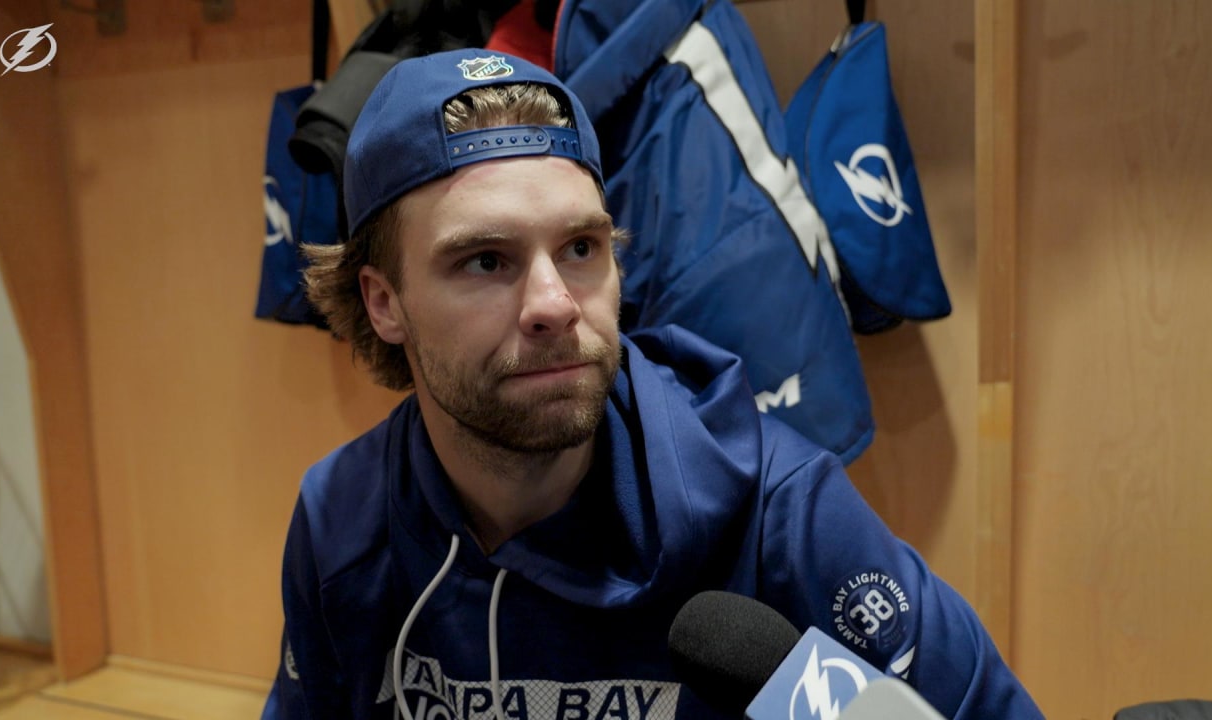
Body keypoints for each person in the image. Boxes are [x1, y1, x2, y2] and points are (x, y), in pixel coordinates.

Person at [262, 48, 1043, 720]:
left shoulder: (777, 513)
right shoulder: (343, 523)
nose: (555, 305)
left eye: (580, 248)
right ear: (383, 301)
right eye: (485, 261)